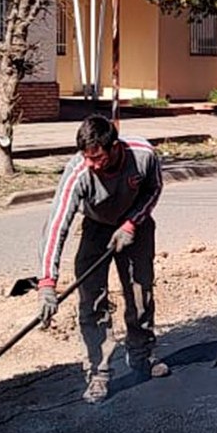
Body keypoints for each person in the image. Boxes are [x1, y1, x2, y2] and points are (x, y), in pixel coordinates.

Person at [37, 115, 168, 404]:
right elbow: (57, 224)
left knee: (140, 294)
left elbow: (154, 189)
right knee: (92, 300)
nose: (92, 164)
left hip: (135, 225)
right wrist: (47, 282)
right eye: (87, 157)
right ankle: (98, 373)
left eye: (98, 158)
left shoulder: (143, 155)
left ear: (114, 146)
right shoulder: (78, 172)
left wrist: (132, 223)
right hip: (96, 227)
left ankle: (141, 356)